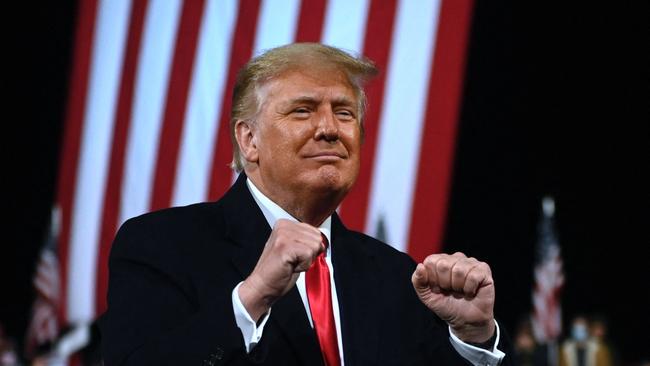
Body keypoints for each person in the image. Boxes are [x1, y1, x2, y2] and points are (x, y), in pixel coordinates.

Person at [99, 43, 513, 365]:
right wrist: (252, 298)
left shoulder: (395, 276)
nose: (329, 129)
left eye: (345, 113)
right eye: (302, 111)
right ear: (249, 140)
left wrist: (473, 339)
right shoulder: (160, 245)